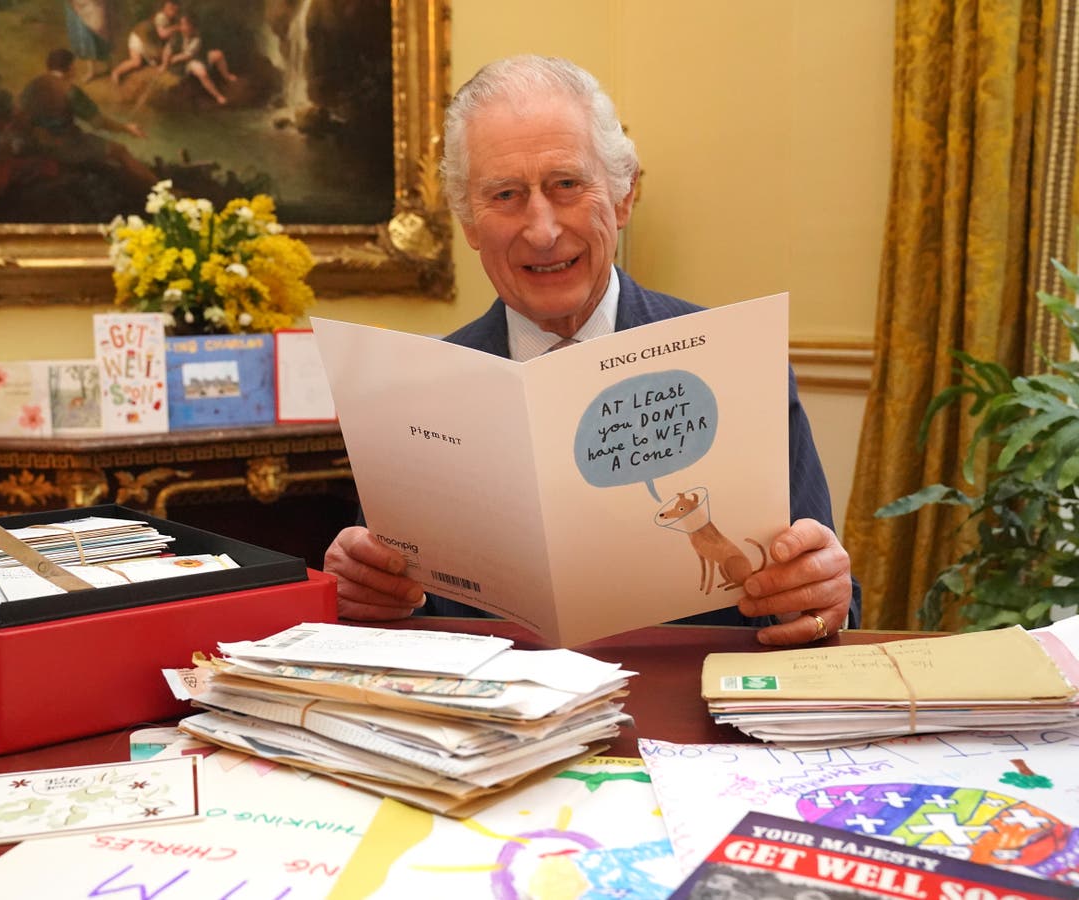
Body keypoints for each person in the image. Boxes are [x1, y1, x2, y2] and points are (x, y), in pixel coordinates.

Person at [323, 55, 860, 647]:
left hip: (688, 718)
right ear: (469, 224)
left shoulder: (737, 366)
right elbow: (383, 610)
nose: (543, 229)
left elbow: (828, 612)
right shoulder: (417, 391)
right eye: (505, 195)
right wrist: (355, 591)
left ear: (624, 197)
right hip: (493, 728)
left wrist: (820, 597)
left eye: (567, 185)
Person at [18, 48, 157, 194]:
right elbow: (98, 123)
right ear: (71, 67)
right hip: (67, 146)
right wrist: (127, 128)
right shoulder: (69, 90)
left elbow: (21, 116)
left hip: (37, 144)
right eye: (74, 66)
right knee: (120, 151)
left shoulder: (32, 86)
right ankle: (163, 192)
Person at [168, 14, 237, 105]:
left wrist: (176, 57)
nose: (184, 27)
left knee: (218, 54)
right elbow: (169, 49)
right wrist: (168, 60)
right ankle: (218, 96)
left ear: (192, 26)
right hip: (186, 63)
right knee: (202, 72)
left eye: (187, 25)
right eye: (182, 25)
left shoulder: (196, 37)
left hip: (193, 56)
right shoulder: (177, 37)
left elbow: (188, 54)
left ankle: (226, 75)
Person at [111, 0, 181, 86]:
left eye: (175, 11)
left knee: (141, 62)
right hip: (139, 37)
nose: (173, 13)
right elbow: (162, 34)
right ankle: (116, 72)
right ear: (165, 7)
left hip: (146, 41)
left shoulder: (171, 19)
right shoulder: (161, 16)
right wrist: (177, 28)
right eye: (171, 9)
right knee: (136, 62)